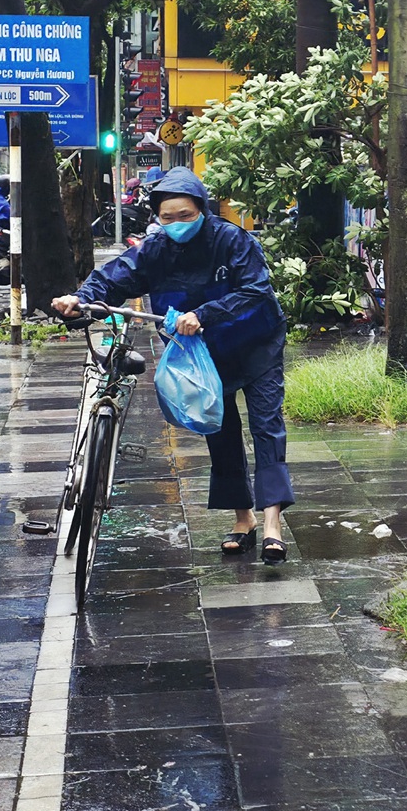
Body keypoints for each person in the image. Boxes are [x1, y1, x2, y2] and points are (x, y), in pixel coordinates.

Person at [49, 167, 294, 563]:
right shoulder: (155, 249)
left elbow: (256, 291)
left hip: (256, 345)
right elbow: (114, 278)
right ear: (157, 218)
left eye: (185, 215)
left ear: (202, 210)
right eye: (168, 217)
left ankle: (272, 525)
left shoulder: (232, 240)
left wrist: (205, 313)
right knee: (220, 427)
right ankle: (243, 518)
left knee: (266, 425)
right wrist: (79, 298)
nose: (177, 223)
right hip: (204, 355)